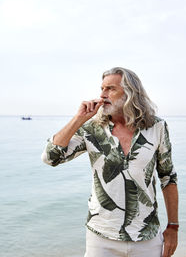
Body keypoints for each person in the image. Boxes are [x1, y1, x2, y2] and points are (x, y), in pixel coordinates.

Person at [41, 67, 178, 257]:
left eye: (110, 89)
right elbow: (50, 157)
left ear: (130, 92)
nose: (102, 95)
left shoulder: (156, 127)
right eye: (102, 88)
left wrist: (173, 227)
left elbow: (168, 177)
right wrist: (78, 119)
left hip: (146, 236)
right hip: (101, 237)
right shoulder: (92, 128)